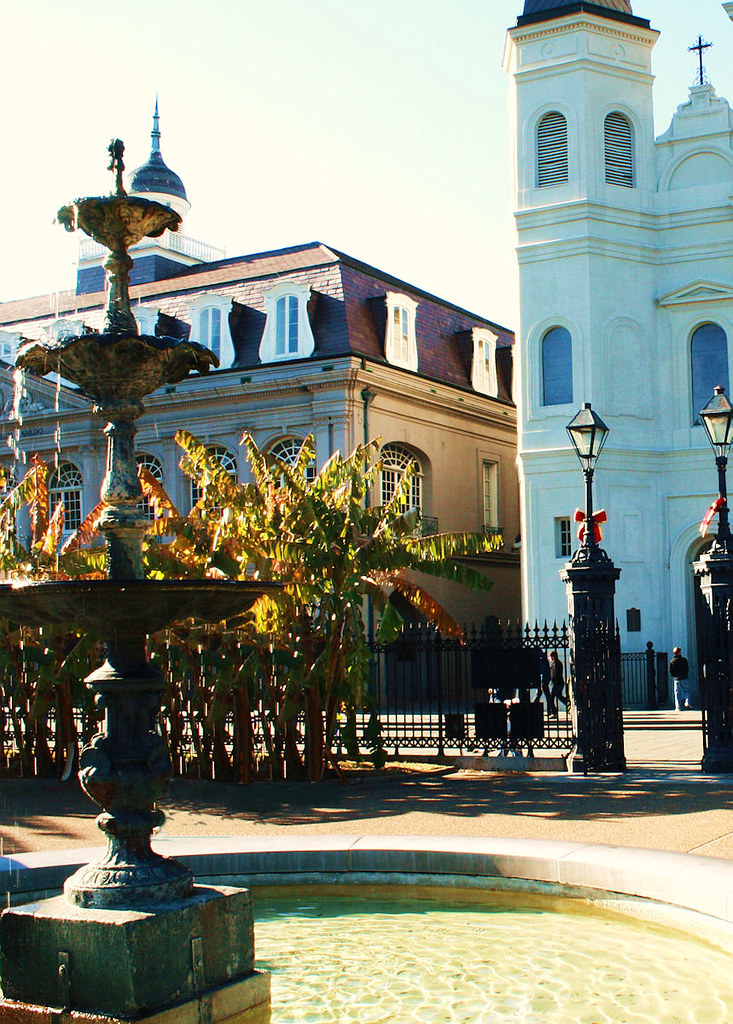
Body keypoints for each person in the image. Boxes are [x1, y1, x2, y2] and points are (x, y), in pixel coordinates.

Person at [547, 650, 569, 716]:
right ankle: (568, 704)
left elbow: (555, 673)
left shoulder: (556, 663)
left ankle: (554, 712)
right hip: (558, 682)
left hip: (557, 682)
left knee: (552, 696)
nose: (550, 658)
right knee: (559, 696)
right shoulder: (555, 663)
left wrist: (552, 679)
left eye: (551, 656)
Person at [669, 646, 691, 710]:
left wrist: (674, 675)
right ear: (679, 652)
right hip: (684, 678)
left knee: (677, 693)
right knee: (687, 691)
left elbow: (671, 671)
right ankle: (687, 702)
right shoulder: (684, 660)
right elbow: (687, 668)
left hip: (676, 679)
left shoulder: (672, 661)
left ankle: (678, 707)